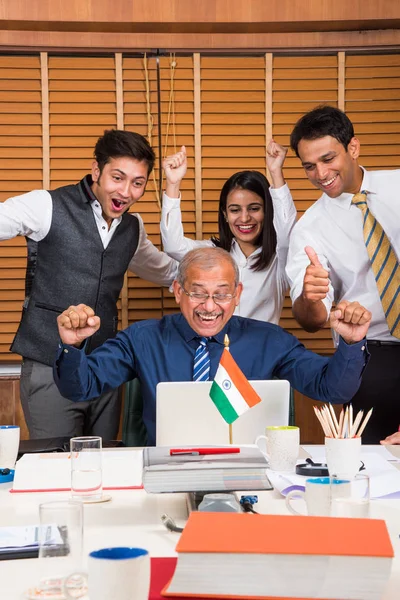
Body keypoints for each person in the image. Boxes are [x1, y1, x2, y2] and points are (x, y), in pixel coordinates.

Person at [54, 247, 371, 446]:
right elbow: (81, 387)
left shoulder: (270, 340)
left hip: (251, 467)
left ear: (237, 294)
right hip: (168, 467)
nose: (210, 306)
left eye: (221, 293)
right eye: (198, 293)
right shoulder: (142, 339)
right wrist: (72, 347)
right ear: (178, 291)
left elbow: (333, 390)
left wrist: (351, 343)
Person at [0, 129, 178, 440]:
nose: (126, 191)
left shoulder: (133, 229)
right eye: (117, 177)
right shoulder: (47, 206)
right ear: (96, 170)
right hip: (48, 364)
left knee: (105, 465)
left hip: (106, 368)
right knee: (57, 467)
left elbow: (167, 271)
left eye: (138, 183)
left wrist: (221, 273)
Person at [286, 105, 400, 444]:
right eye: (309, 166)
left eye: (327, 159)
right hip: (372, 357)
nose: (320, 173)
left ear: (353, 148)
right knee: (372, 467)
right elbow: (310, 319)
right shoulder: (309, 229)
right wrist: (310, 296)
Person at [160, 141, 297, 324]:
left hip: (262, 350)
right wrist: (173, 183)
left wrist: (276, 173)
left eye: (254, 208)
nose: (245, 218)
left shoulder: (279, 260)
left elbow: (287, 231)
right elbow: (172, 245)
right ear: (225, 214)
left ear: (267, 211)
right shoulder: (211, 253)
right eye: (234, 210)